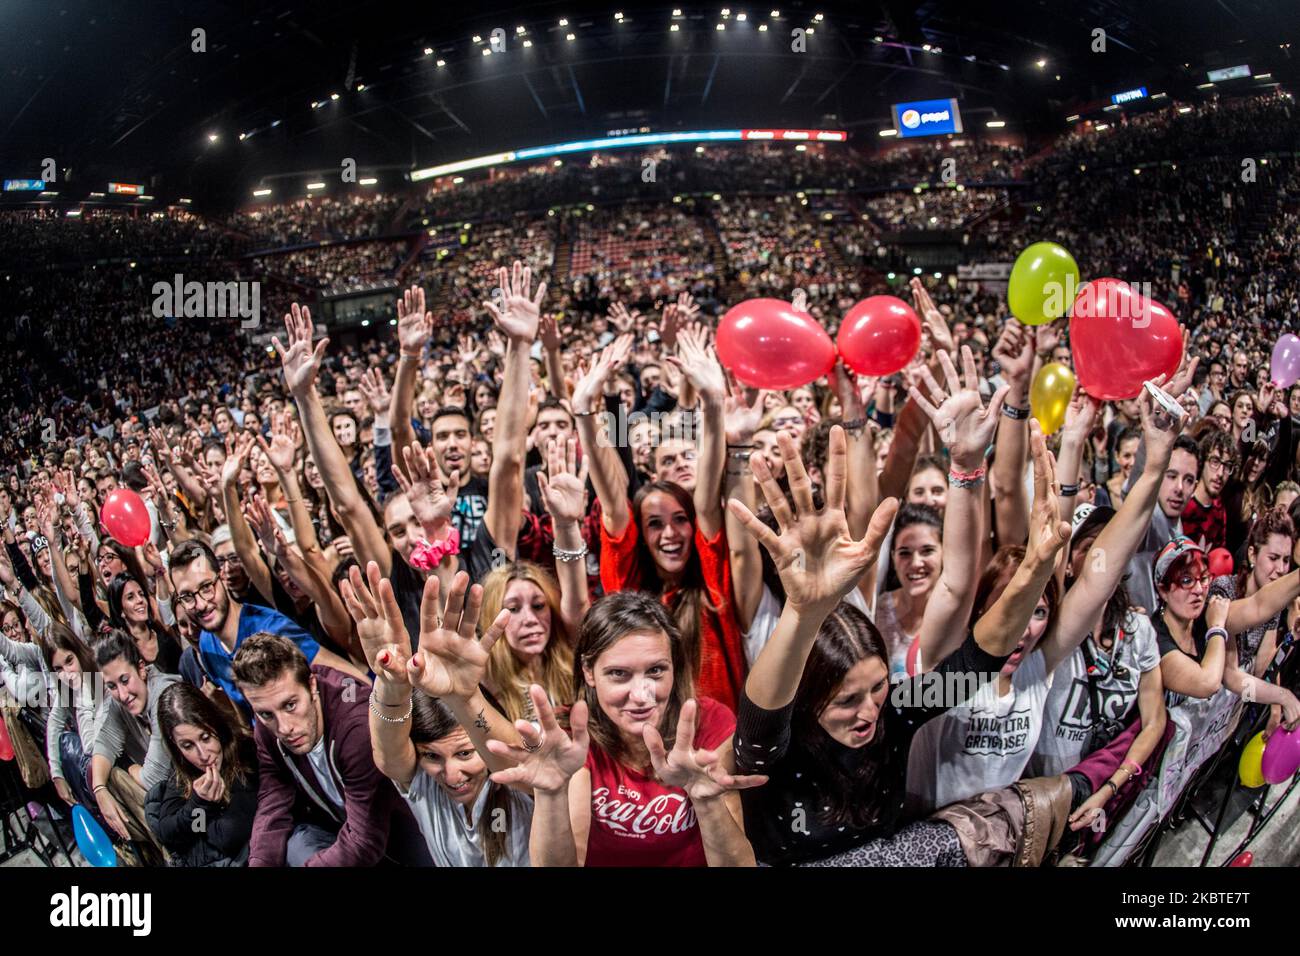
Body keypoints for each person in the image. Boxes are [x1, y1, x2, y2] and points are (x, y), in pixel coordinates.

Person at [486, 590, 761, 867]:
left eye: (655, 671)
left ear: (674, 668)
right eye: (619, 674)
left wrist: (707, 802)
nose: (641, 695)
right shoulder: (571, 736)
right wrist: (551, 793)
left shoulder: (709, 722)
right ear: (589, 671)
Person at [341, 563, 533, 866]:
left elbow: (522, 762)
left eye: (466, 753)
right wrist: (392, 684)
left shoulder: (518, 786)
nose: (452, 775)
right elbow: (388, 754)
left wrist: (465, 697)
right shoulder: (426, 786)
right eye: (432, 756)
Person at [232, 632, 430, 867]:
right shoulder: (268, 725)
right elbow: (273, 799)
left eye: (291, 705)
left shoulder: (356, 726)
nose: (284, 728)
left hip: (412, 836)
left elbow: (364, 840)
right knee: (296, 843)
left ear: (311, 685)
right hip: (346, 831)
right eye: (265, 714)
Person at [167, 539, 363, 717]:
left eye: (206, 587)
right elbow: (247, 717)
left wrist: (352, 723)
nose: (200, 604)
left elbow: (350, 679)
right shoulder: (206, 644)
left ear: (222, 579)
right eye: (187, 596)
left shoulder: (271, 629)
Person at [90, 631, 180, 862]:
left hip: (208, 804)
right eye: (111, 686)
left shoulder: (165, 696)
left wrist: (127, 763)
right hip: (176, 801)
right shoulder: (120, 703)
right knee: (109, 779)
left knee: (126, 779)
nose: (121, 694)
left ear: (142, 668)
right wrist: (99, 789)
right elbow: (103, 744)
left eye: (124, 680)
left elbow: (153, 778)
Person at [146, 681, 259, 866]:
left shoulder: (247, 753)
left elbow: (229, 838)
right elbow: (169, 832)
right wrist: (200, 805)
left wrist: (202, 817)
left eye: (205, 737)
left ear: (215, 723)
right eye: (188, 745)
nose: (203, 755)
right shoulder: (183, 771)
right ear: (176, 746)